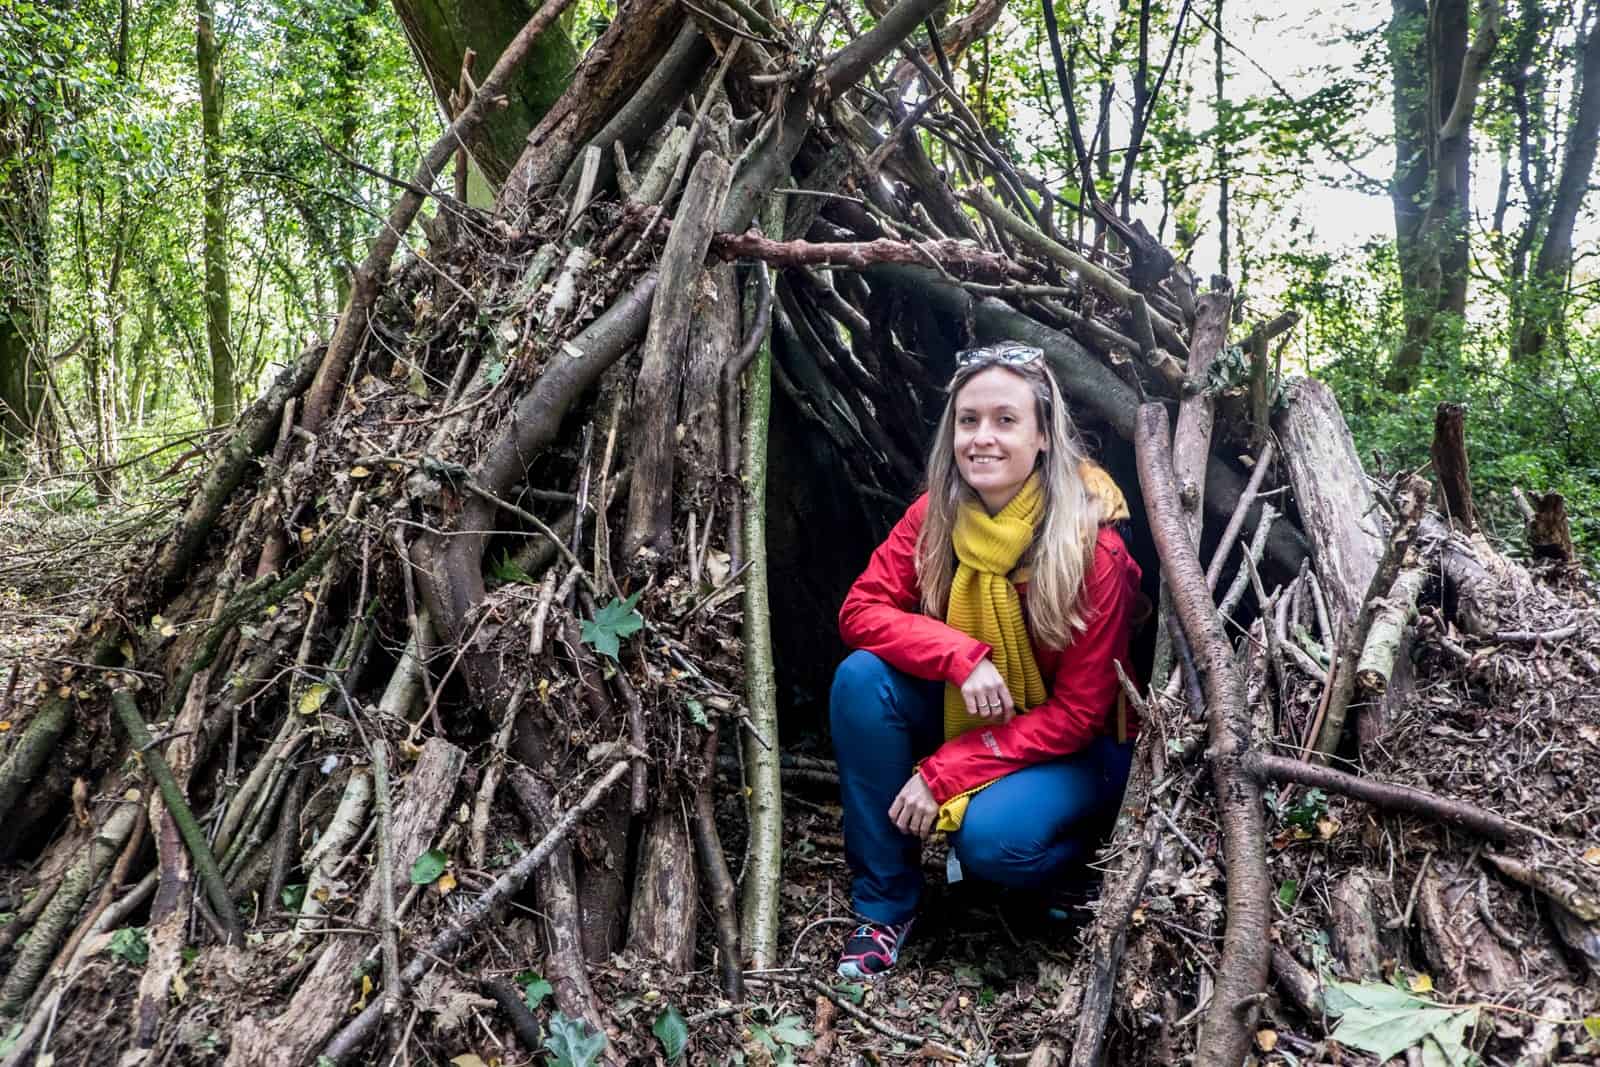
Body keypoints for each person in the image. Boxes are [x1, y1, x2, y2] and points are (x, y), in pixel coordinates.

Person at [830, 341, 1143, 980]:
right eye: (968, 421)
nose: (982, 439)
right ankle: (886, 907)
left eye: (1006, 420)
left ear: (1044, 436)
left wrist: (946, 771)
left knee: (993, 844)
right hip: (976, 708)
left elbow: (1081, 714)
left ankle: (1079, 866)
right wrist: (958, 656)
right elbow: (860, 611)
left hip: (1078, 748)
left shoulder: (1093, 549)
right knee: (861, 680)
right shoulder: (937, 516)